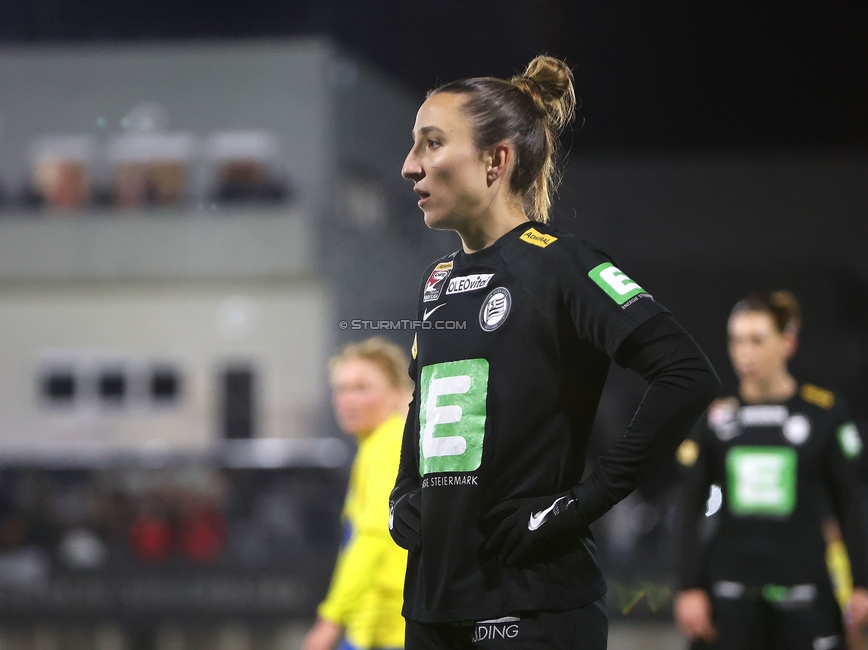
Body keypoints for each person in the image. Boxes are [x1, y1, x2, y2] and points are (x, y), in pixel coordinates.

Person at [389, 55, 720, 649]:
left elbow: (686, 374)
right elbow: (427, 401)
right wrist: (402, 491)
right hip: (432, 609)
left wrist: (579, 504)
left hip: (535, 611)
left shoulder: (560, 264)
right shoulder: (435, 280)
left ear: (497, 160)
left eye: (432, 144)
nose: (410, 166)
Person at [674, 291, 868, 649]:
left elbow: (850, 504)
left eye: (757, 340)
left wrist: (864, 584)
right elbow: (689, 508)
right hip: (730, 599)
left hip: (806, 598)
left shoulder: (823, 414)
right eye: (736, 340)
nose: (745, 352)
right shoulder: (716, 418)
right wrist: (688, 588)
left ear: (788, 342)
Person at [303, 337, 412, 650]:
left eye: (362, 388)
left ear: (397, 394)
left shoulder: (387, 444)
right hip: (380, 627)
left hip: (387, 628)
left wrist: (329, 622)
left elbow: (374, 536)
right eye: (341, 388)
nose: (347, 399)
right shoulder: (381, 445)